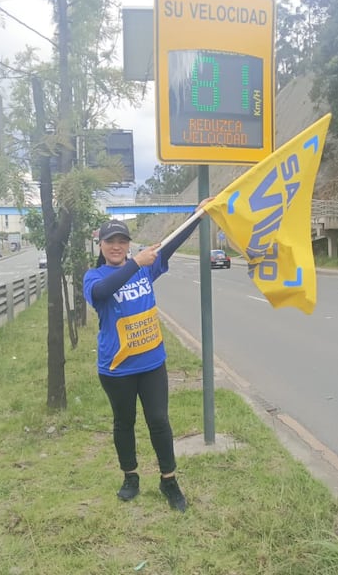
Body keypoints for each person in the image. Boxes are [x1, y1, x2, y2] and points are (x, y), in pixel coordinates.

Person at [83, 200, 212, 513]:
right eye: (110, 242)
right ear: (101, 245)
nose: (116, 246)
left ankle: (169, 480)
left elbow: (169, 245)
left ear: (128, 245)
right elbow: (102, 294)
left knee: (158, 420)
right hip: (116, 368)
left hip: (152, 363)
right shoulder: (94, 276)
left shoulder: (144, 267)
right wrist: (136, 262)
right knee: (124, 422)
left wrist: (197, 215)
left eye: (122, 242)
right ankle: (130, 477)